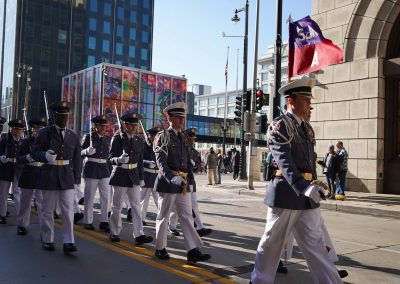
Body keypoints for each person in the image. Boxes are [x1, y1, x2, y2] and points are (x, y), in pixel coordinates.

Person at [250, 77, 342, 284]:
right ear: (291, 101)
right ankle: (259, 281)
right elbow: (284, 162)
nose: (310, 104)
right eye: (306, 100)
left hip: (306, 196)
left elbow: (308, 163)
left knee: (316, 244)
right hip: (286, 194)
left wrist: (315, 185)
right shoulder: (279, 126)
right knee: (272, 243)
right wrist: (305, 187)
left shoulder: (307, 128)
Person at [153, 102, 210, 263]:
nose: (181, 121)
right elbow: (161, 162)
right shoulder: (163, 136)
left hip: (183, 183)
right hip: (168, 182)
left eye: (183, 117)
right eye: (178, 117)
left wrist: (189, 180)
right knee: (163, 216)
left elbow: (186, 161)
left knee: (186, 216)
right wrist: (171, 177)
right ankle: (160, 247)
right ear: (169, 118)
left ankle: (192, 250)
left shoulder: (184, 136)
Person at [31, 101, 81, 253]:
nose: (64, 119)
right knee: (47, 210)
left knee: (68, 210)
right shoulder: (44, 132)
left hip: (66, 176)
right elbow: (34, 152)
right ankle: (47, 239)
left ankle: (68, 241)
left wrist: (77, 179)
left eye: (66, 116)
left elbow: (77, 159)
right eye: (61, 116)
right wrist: (44, 155)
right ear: (55, 116)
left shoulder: (73, 136)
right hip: (49, 174)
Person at [108, 112, 153, 246]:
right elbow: (110, 159)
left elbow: (139, 161)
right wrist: (119, 160)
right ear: (125, 125)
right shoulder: (117, 139)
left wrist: (141, 177)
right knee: (116, 207)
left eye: (136, 125)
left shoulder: (139, 140)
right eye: (132, 125)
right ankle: (114, 232)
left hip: (133, 176)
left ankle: (139, 234)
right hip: (120, 175)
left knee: (136, 207)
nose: (134, 127)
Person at [16, 117, 47, 235]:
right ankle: (22, 224)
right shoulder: (26, 141)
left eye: (41, 128)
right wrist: (27, 158)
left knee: (42, 203)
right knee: (25, 202)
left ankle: (44, 228)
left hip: (42, 172)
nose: (38, 130)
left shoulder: (46, 142)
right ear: (33, 129)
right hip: (29, 172)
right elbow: (18, 158)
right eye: (36, 128)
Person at [81, 115, 112, 232]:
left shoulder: (107, 138)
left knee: (106, 196)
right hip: (92, 169)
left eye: (104, 126)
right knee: (89, 197)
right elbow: (79, 152)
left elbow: (108, 156)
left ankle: (104, 221)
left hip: (104, 169)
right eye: (101, 126)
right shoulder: (88, 137)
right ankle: (87, 221)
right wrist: (86, 151)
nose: (104, 128)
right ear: (95, 126)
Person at [0, 119, 25, 224]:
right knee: (3, 193)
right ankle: (2, 214)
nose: (18, 131)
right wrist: (1, 157)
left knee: (17, 193)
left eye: (20, 129)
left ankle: (21, 216)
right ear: (11, 129)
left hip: (18, 168)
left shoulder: (24, 141)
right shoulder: (5, 138)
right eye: (15, 129)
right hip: (6, 168)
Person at [140, 126, 160, 226]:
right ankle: (141, 219)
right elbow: (139, 160)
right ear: (149, 136)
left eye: (156, 136)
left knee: (159, 200)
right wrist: (147, 163)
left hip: (157, 176)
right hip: (147, 175)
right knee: (144, 200)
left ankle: (163, 219)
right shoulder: (144, 145)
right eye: (153, 136)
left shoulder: (158, 145)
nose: (155, 137)